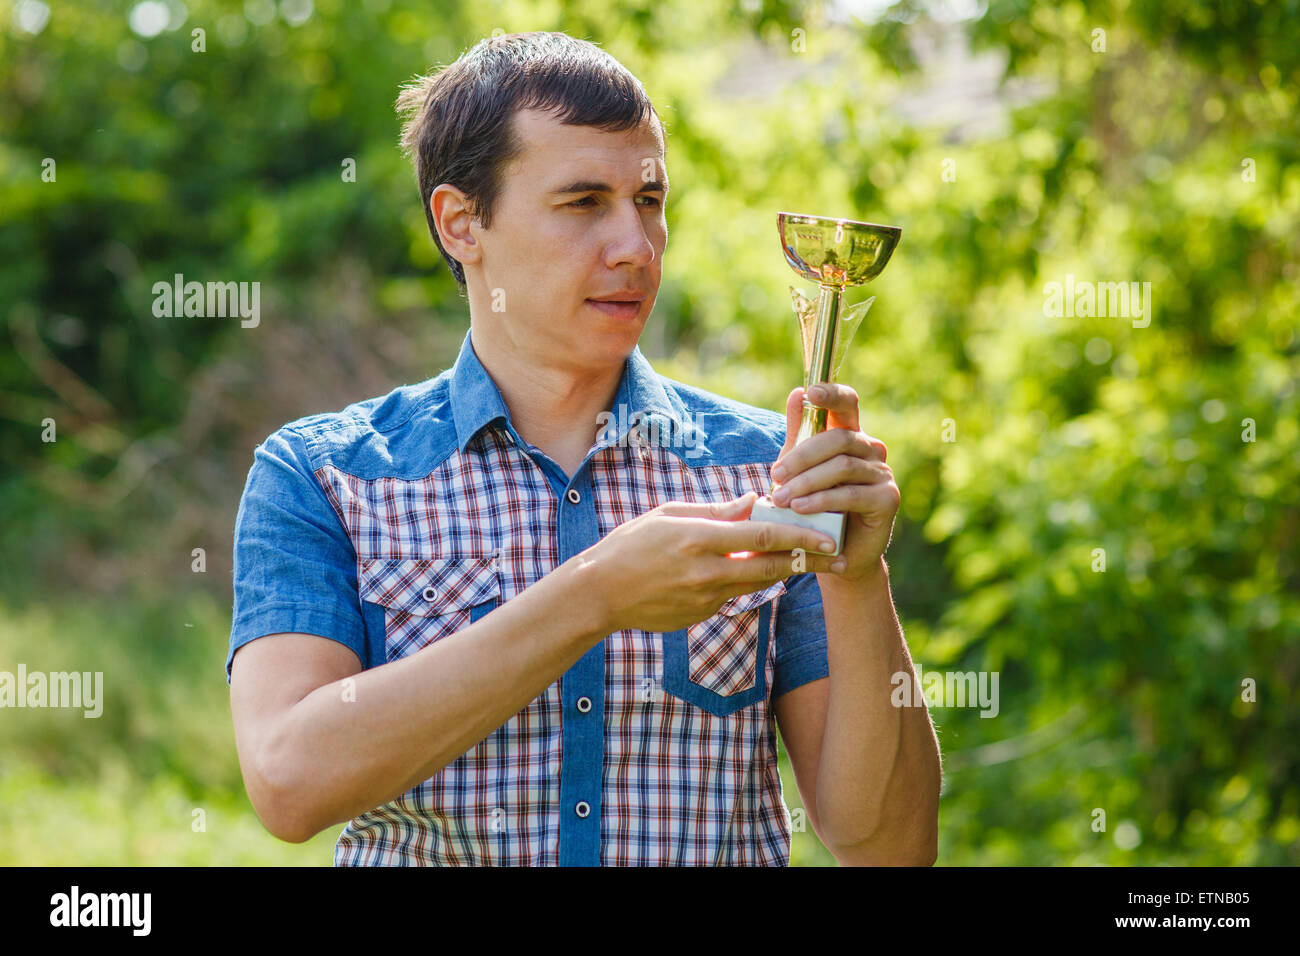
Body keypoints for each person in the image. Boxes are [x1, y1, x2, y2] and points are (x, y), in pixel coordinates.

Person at [226, 31, 940, 866]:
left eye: (648, 200)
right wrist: (594, 594)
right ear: (462, 223)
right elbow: (288, 781)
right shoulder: (324, 475)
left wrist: (858, 575)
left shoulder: (767, 468)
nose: (635, 247)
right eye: (582, 203)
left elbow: (888, 847)